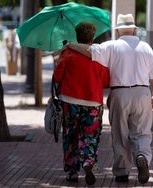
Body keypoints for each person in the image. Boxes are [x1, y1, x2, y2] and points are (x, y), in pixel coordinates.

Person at [67, 14, 153, 184]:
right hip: (142, 93)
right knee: (142, 132)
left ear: (118, 31)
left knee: (120, 134)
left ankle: (122, 171)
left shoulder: (111, 46)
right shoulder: (146, 47)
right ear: (133, 29)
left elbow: (89, 51)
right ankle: (142, 157)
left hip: (119, 94)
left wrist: (70, 45)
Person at [53, 22, 110, 185]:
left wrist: (58, 60)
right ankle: (88, 162)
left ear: (77, 36)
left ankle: (72, 172)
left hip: (69, 101)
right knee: (91, 135)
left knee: (70, 136)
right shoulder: (99, 56)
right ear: (92, 38)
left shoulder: (67, 54)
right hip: (92, 102)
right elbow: (106, 81)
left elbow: (57, 78)